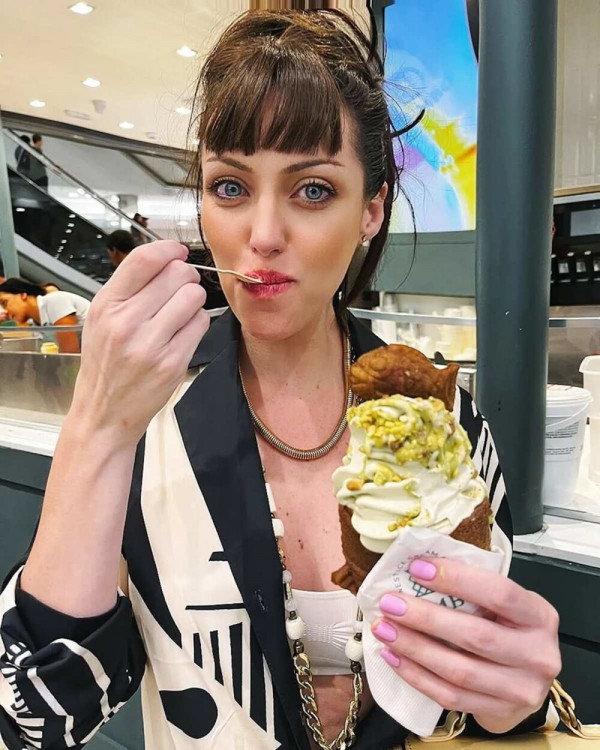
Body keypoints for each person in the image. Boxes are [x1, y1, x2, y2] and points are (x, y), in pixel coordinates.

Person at [0, 10, 560, 750]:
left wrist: (515, 700)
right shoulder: (146, 422)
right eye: (230, 187)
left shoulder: (442, 421)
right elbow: (38, 721)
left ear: (371, 210)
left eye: (313, 190)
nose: (262, 235)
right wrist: (95, 430)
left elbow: (491, 686)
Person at [0, 279, 90, 353]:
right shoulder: (34, 323)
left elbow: (70, 355)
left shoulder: (55, 301)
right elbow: (26, 356)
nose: (5, 311)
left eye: (5, 303)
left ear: (23, 295)